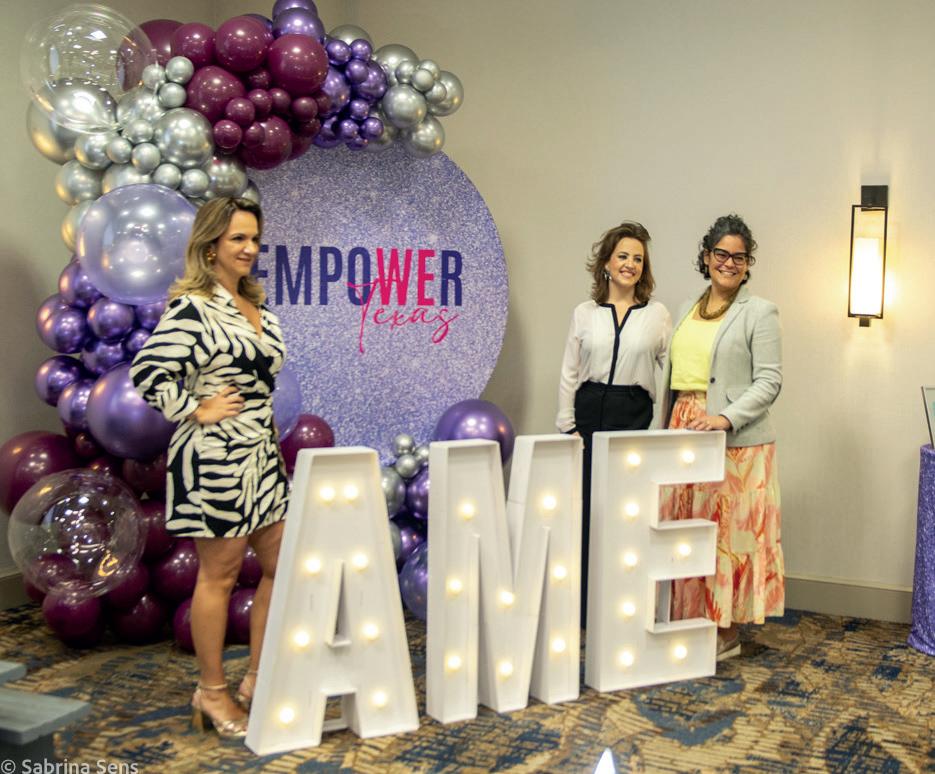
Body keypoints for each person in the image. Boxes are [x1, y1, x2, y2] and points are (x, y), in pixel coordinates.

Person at [130, 197, 289, 738]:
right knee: (219, 576)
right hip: (215, 459)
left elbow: (261, 383)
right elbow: (148, 372)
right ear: (210, 245)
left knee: (280, 566)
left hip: (262, 457)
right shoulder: (194, 308)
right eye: (237, 238)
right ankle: (212, 692)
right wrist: (196, 408)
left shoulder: (259, 308)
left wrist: (267, 440)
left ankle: (259, 678)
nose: (248, 248)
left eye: (253, 239)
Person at [658, 213, 784, 660]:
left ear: (748, 264)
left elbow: (769, 380)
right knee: (686, 527)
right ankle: (689, 618)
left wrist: (725, 418)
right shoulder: (687, 308)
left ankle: (724, 630)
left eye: (739, 257)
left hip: (734, 440)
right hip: (684, 427)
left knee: (726, 535)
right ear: (706, 256)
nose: (729, 263)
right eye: (721, 254)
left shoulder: (760, 312)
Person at [556, 221, 671, 624]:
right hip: (589, 414)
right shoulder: (584, 314)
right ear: (606, 262)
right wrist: (568, 425)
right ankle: (584, 607)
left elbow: (670, 373)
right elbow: (570, 371)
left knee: (628, 515)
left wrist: (663, 427)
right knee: (587, 512)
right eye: (623, 256)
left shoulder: (656, 315)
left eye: (638, 259)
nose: (630, 264)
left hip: (633, 414)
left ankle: (624, 606)